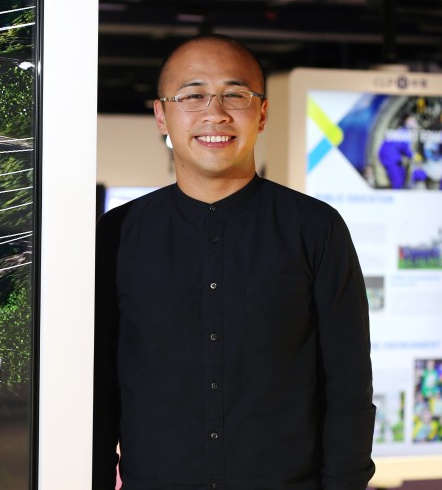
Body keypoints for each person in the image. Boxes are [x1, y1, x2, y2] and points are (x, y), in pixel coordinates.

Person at [92, 35, 376, 489]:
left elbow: (348, 388)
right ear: (161, 114)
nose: (215, 113)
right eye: (193, 95)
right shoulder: (119, 234)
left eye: (235, 95)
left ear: (261, 113)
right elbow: (99, 388)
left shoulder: (316, 228)